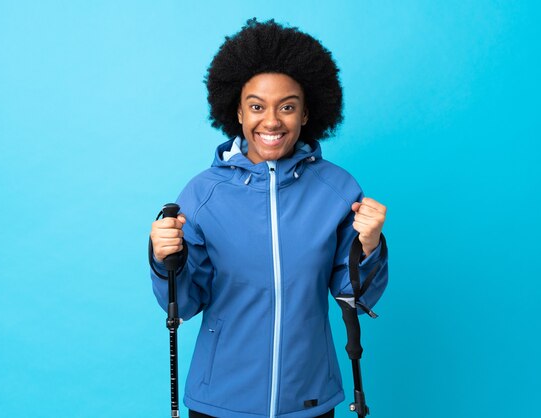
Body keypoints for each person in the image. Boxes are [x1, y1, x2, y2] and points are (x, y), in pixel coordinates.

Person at [149, 18, 388, 418]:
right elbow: (185, 304)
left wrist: (369, 245)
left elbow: (355, 297)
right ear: (238, 112)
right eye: (257, 106)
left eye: (287, 107)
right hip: (221, 401)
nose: (272, 121)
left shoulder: (338, 190)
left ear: (307, 113)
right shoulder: (202, 194)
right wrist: (164, 260)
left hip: (309, 398)